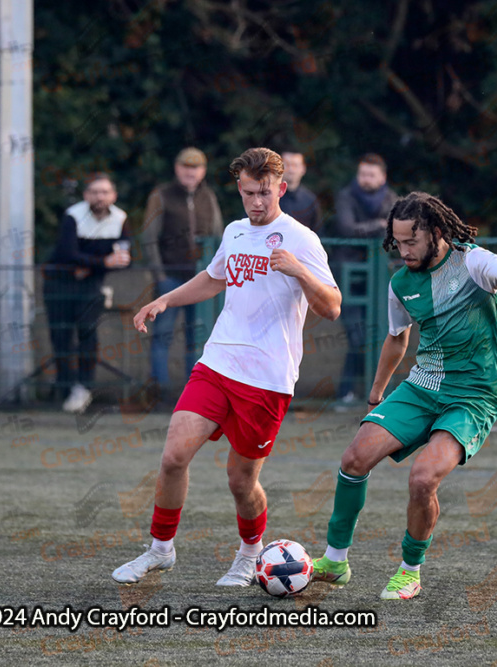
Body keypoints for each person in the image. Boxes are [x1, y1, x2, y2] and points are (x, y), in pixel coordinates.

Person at [112, 148, 341, 587]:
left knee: (240, 481)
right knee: (174, 454)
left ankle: (250, 555)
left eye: (266, 193)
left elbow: (331, 306)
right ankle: (160, 550)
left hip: (267, 378)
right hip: (217, 362)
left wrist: (298, 271)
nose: (258, 202)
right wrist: (165, 299)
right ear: (239, 189)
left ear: (282, 189)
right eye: (250, 193)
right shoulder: (235, 232)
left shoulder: (301, 239)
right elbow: (215, 277)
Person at [311, 192, 497, 600]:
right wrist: (376, 395)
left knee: (422, 478)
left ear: (434, 232)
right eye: (397, 242)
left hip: (474, 394)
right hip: (423, 385)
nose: (404, 251)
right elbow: (397, 340)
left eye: (411, 242)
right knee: (354, 458)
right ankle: (335, 560)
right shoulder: (400, 283)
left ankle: (409, 571)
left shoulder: (472, 261)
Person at [141, 147, 224, 401]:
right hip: (171, 277)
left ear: (203, 171)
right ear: (177, 169)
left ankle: (194, 394)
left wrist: (215, 274)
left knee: (198, 338)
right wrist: (160, 276)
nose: (191, 172)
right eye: (186, 167)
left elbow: (218, 235)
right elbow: (148, 238)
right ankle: (162, 392)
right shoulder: (161, 195)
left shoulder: (208, 196)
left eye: (196, 168)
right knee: (162, 336)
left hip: (201, 280)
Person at [44, 173, 131, 413]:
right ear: (86, 195)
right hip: (59, 285)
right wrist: (103, 262)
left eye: (105, 192)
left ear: (113, 195)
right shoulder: (73, 216)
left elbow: (124, 257)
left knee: (88, 333)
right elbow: (67, 254)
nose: (100, 197)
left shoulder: (121, 218)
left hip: (91, 286)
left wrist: (92, 265)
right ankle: (65, 390)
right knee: (61, 337)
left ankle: (84, 388)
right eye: (94, 192)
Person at [332, 153, 399, 404]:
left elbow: (396, 231)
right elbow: (346, 228)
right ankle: (347, 391)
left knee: (381, 336)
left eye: (371, 174)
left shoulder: (392, 199)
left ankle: (374, 393)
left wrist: (379, 226)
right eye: (362, 174)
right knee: (357, 336)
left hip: (380, 276)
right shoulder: (346, 196)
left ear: (382, 177)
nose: (366, 179)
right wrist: (379, 225)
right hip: (349, 276)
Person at [279, 150, 323, 233]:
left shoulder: (310, 200)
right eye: (287, 165)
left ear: (303, 169)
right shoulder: (268, 196)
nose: (291, 170)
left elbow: (318, 234)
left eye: (295, 165)